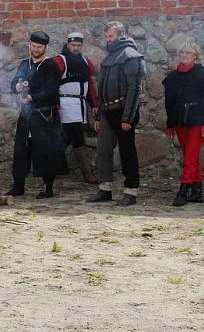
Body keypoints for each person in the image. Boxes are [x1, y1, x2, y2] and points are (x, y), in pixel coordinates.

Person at [87, 21, 145, 206]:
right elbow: (103, 88)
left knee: (127, 152)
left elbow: (134, 90)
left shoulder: (131, 56)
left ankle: (130, 191)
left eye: (111, 36)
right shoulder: (109, 57)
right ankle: (105, 189)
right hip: (107, 112)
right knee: (103, 150)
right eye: (106, 37)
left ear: (121, 35)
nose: (108, 40)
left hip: (123, 112)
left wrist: (127, 117)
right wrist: (98, 116)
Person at [6, 31, 68, 199]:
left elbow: (52, 90)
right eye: (33, 46)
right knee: (20, 149)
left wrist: (33, 97)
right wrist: (17, 88)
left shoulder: (51, 65)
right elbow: (14, 84)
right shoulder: (25, 64)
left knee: (46, 151)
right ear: (30, 45)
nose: (36, 49)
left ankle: (47, 187)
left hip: (44, 115)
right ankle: (18, 185)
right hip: (26, 115)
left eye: (39, 47)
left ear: (45, 48)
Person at [162, 41, 204, 206]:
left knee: (190, 158)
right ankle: (198, 191)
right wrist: (170, 124)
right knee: (190, 157)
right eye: (182, 52)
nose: (185, 55)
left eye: (188, 53)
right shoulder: (173, 77)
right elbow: (169, 103)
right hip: (180, 121)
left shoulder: (201, 74)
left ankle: (183, 191)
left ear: (195, 56)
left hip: (197, 121)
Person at [56, 32, 99, 184]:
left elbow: (89, 86)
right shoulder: (59, 61)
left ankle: (55, 169)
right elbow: (52, 83)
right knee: (75, 138)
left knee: (67, 137)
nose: (75, 48)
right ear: (68, 45)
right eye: (73, 45)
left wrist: (93, 104)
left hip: (79, 104)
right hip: (65, 104)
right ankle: (86, 174)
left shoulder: (85, 62)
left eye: (78, 45)